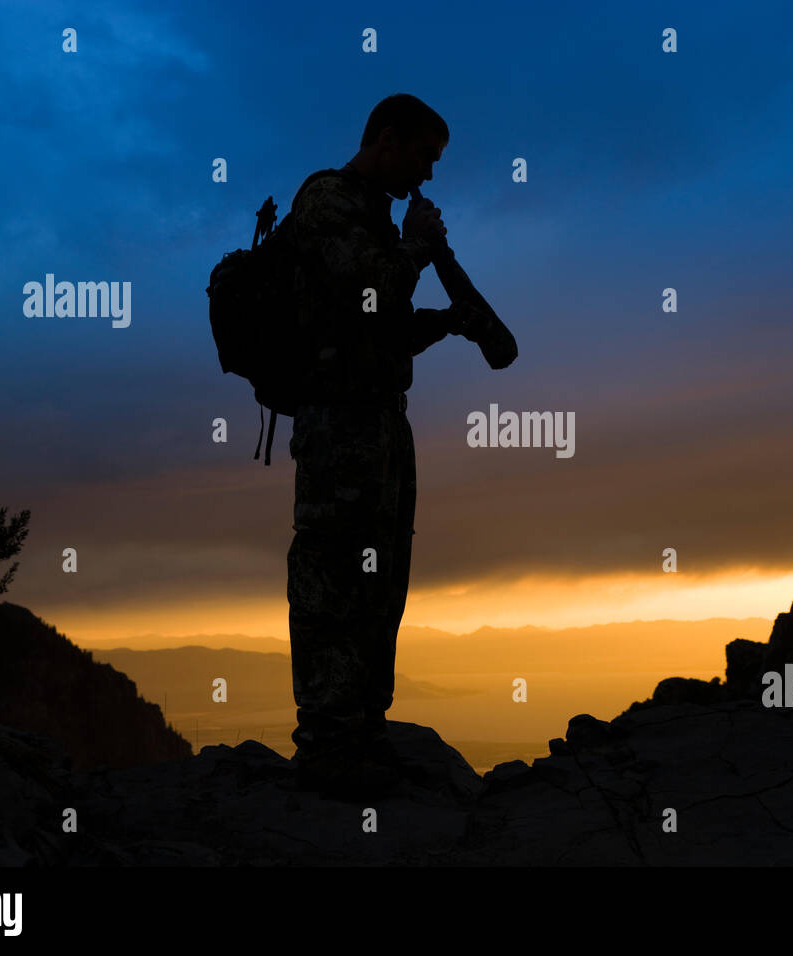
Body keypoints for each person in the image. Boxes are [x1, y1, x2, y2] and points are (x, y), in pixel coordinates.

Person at [285, 94, 487, 797]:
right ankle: (326, 746)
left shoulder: (373, 214)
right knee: (332, 575)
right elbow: (370, 294)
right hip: (337, 427)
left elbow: (386, 326)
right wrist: (418, 247)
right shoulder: (327, 202)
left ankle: (364, 731)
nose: (427, 176)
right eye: (424, 158)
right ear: (390, 139)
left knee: (381, 577)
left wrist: (444, 322)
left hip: (378, 422)